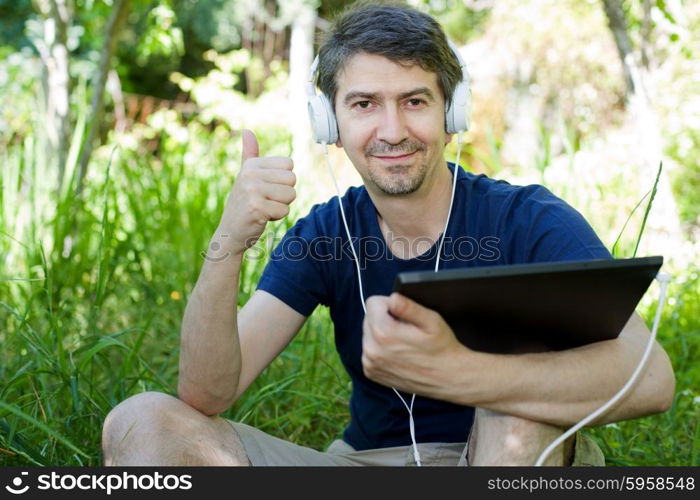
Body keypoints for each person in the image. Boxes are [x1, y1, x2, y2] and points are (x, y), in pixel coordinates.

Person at [101, 1, 675, 466]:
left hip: (514, 460)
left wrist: (457, 373)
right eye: (364, 104)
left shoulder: (527, 219)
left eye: (415, 101)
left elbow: (650, 380)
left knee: (514, 412)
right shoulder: (326, 233)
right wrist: (229, 240)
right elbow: (207, 395)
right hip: (369, 464)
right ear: (332, 121)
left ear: (453, 112)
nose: (392, 130)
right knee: (142, 421)